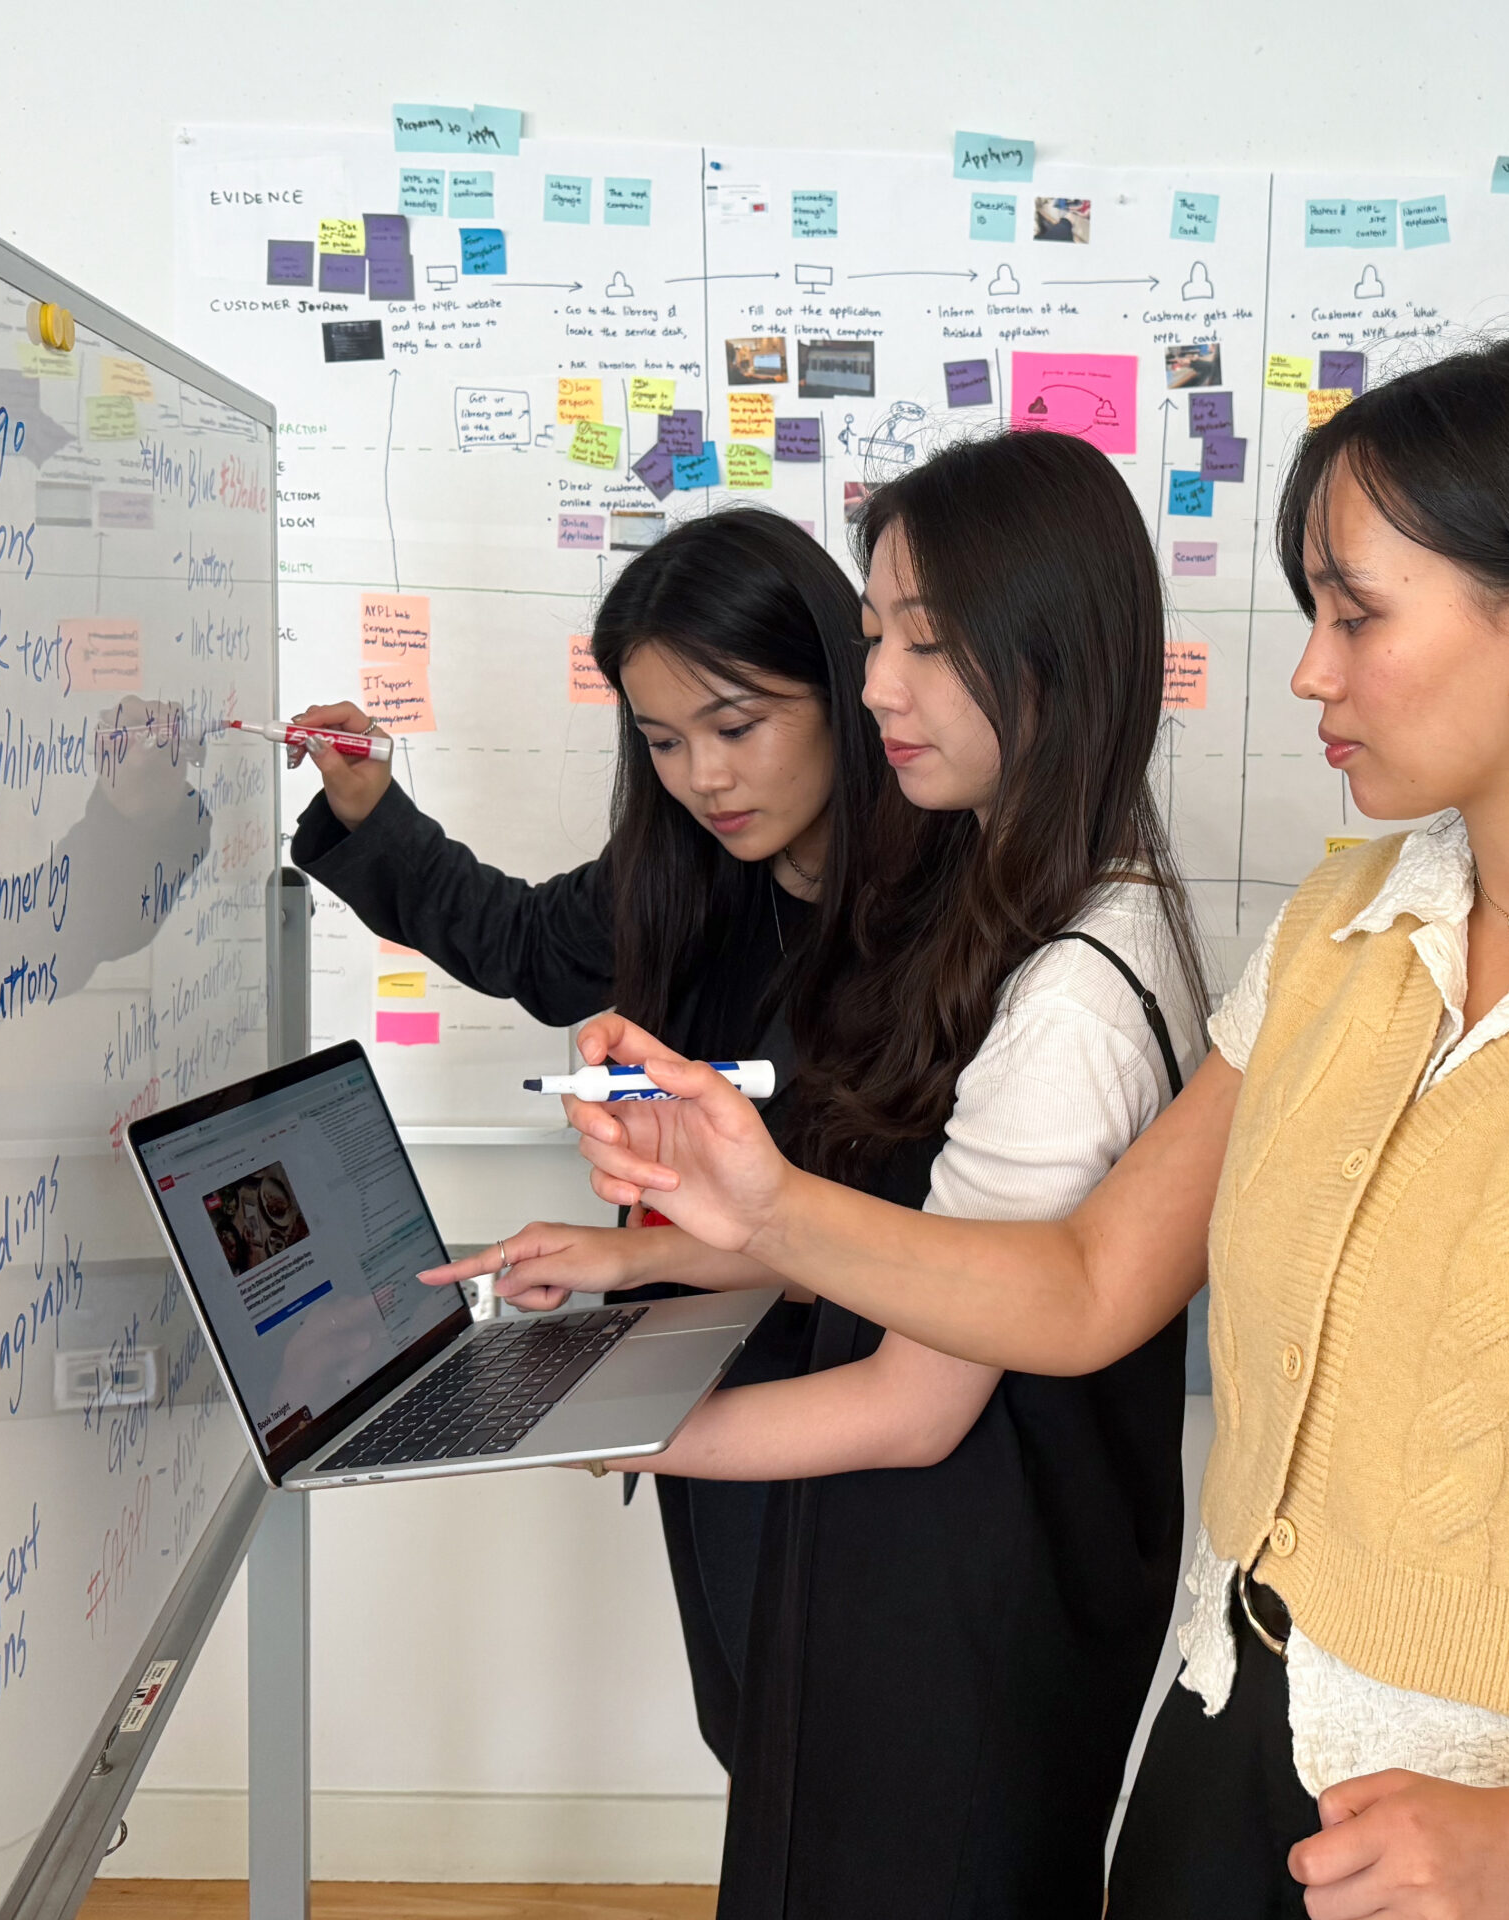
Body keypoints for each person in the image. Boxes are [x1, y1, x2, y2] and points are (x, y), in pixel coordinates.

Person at [552, 333, 1509, 1919]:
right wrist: (763, 1214)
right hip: (1225, 1772)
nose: (1309, 669)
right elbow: (1091, 1284)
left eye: (1355, 614)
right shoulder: (1344, 930)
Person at [424, 429, 1211, 1918]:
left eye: (922, 642)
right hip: (971, 1599)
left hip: (949, 1613)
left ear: (1048, 657)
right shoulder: (1052, 908)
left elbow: (919, 1400)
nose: (880, 690)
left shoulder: (1063, 989)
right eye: (871, 638)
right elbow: (922, 1248)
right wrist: (647, 1257)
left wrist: (597, 1421)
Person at [285, 506, 899, 1771]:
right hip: (693, 1352)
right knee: (756, 1738)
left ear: (845, 686)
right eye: (663, 741)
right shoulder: (682, 864)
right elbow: (517, 942)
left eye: (737, 727)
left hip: (873, 1391)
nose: (703, 779)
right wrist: (368, 804)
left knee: (857, 1761)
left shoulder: (938, 911)